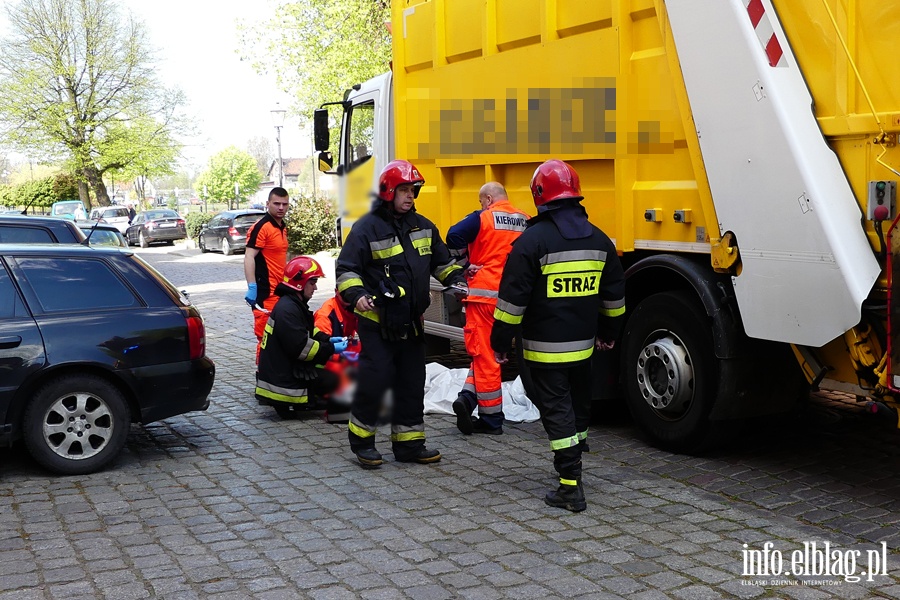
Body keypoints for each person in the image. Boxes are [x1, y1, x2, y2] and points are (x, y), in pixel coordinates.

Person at [491, 159, 625, 513]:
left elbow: (511, 302)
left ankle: (570, 485)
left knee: (556, 411)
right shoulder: (600, 240)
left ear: (539, 196)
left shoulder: (531, 242)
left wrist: (500, 343)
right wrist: (609, 333)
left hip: (543, 352)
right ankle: (575, 457)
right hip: (584, 349)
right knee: (578, 405)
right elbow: (614, 297)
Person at [335, 159, 467, 468]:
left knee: (411, 382)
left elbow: (443, 263)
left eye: (413, 190)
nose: (410, 196)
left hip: (411, 323)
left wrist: (457, 281)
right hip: (377, 322)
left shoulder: (424, 227)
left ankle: (409, 445)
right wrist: (357, 296)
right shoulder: (366, 228)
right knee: (376, 381)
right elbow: (346, 270)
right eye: (404, 190)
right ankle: (363, 442)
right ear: (388, 191)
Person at [446, 182, 528, 435]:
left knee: (486, 357)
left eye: (482, 201)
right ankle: (467, 398)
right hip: (517, 297)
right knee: (486, 355)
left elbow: (453, 235)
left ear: (489, 199)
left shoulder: (483, 217)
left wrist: (464, 264)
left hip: (485, 297)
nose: (482, 205)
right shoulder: (525, 220)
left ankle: (491, 420)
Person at [255, 256, 348, 418]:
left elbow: (307, 332)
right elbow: (303, 349)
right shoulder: (288, 310)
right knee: (339, 380)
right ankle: (309, 402)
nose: (316, 288)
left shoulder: (291, 304)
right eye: (312, 283)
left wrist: (327, 340)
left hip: (284, 373)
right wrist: (332, 348)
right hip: (284, 384)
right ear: (299, 283)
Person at [244, 187, 290, 362]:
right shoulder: (262, 227)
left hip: (280, 292)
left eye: (284, 204)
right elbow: (249, 257)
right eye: (276, 203)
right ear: (268, 204)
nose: (281, 207)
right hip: (265, 294)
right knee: (266, 339)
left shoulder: (281, 227)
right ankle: (262, 378)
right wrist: (252, 287)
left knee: (280, 338)